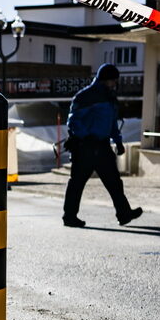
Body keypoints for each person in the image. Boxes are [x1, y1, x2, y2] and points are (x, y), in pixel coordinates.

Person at [61, 63, 142, 228]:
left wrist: (118, 142)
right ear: (106, 79)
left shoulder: (109, 97)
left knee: (114, 182)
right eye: (113, 80)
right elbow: (73, 121)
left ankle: (124, 214)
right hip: (85, 147)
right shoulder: (86, 96)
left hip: (103, 145)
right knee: (77, 182)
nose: (115, 84)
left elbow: (112, 123)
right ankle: (69, 217)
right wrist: (86, 137)